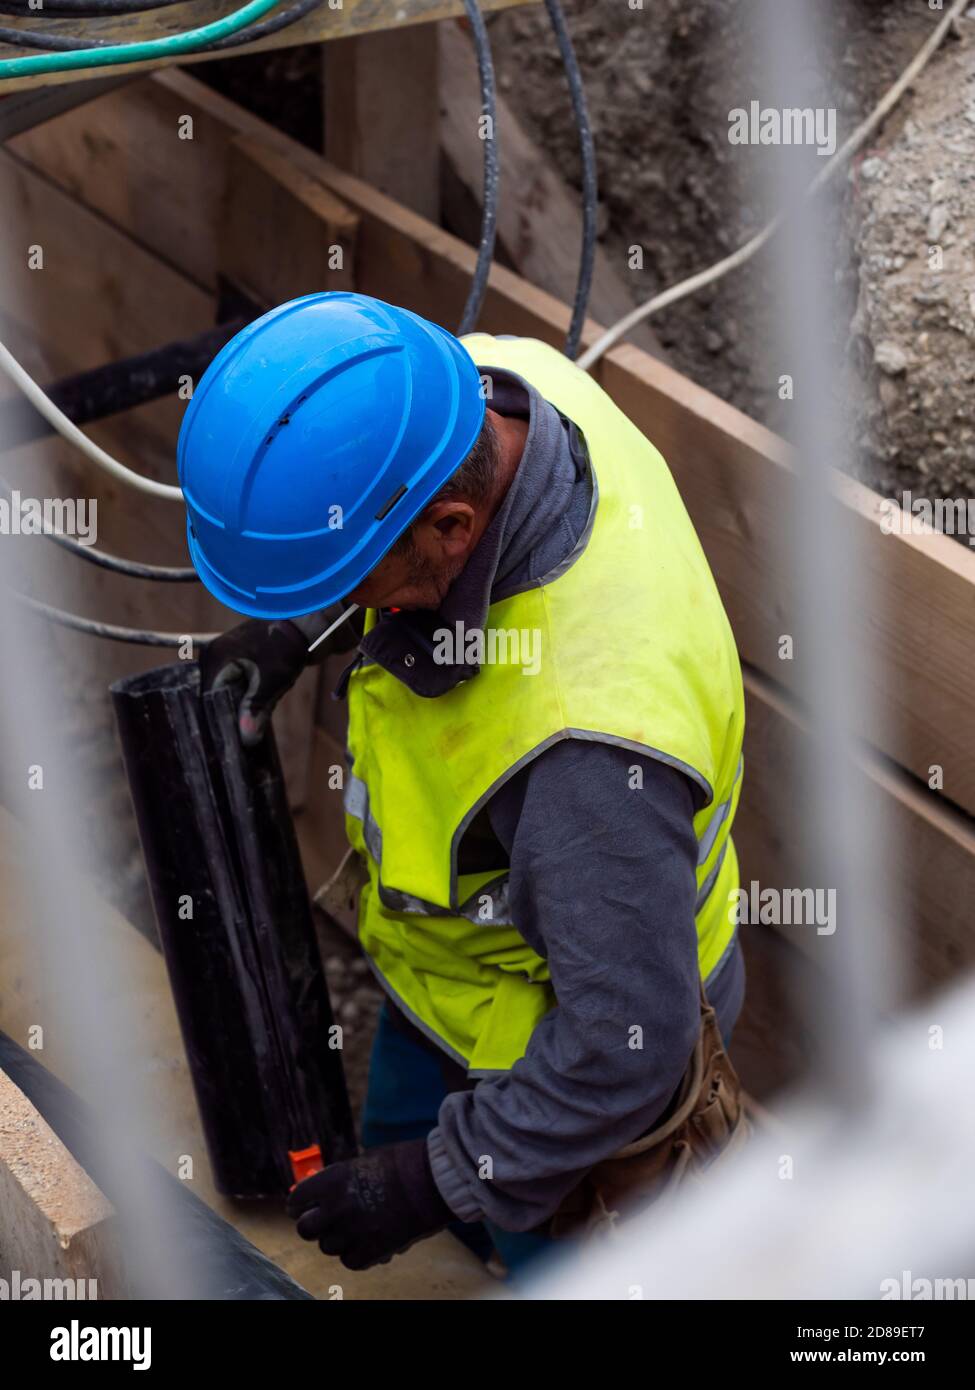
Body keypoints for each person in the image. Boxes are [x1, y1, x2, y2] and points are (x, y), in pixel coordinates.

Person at [181, 291, 747, 1274]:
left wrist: (434, 1178)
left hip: (576, 1056)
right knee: (406, 1146)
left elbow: (628, 1043)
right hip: (449, 964)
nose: (340, 610)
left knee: (550, 1253)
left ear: (449, 526)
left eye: (343, 584)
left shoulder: (584, 751)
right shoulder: (487, 387)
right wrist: (293, 624)